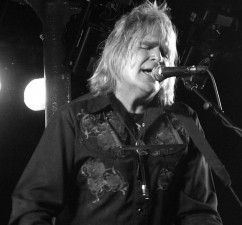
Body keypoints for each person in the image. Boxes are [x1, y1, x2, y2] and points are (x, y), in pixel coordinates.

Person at [9, 1, 223, 225]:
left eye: (165, 51)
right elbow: (31, 208)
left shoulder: (185, 121)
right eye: (147, 46)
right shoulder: (74, 118)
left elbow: (200, 213)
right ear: (119, 54)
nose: (158, 57)